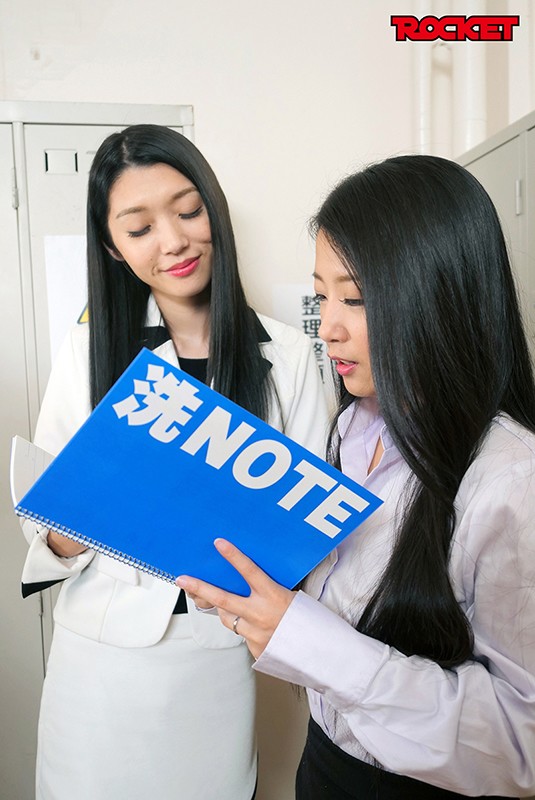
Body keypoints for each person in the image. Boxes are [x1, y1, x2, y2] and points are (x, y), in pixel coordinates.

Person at [178, 154, 535, 799]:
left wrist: (309, 641)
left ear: (440, 297)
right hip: (324, 765)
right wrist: (258, 586)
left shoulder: (511, 480)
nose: (329, 328)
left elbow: (520, 745)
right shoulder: (352, 427)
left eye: (356, 298)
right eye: (321, 297)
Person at [20, 123, 329, 800]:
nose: (173, 242)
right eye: (139, 228)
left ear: (213, 209)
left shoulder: (287, 357)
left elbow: (307, 528)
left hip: (216, 658)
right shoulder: (88, 355)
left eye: (188, 212)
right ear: (113, 247)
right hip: (97, 665)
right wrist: (71, 529)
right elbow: (42, 527)